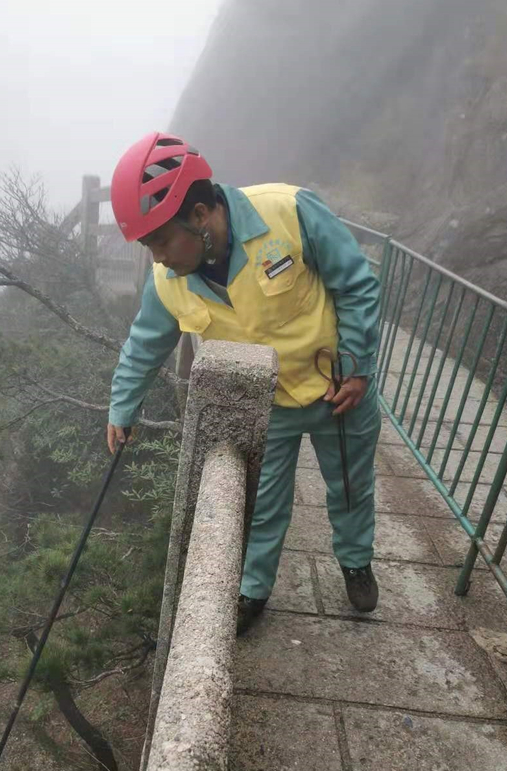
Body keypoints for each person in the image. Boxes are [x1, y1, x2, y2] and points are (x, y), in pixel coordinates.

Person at [106, 132, 381, 633]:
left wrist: (358, 364)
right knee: (261, 501)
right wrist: (121, 409)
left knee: (350, 485)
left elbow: (356, 282)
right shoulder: (167, 283)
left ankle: (355, 560)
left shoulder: (288, 211)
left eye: (161, 241)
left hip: (336, 387)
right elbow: (145, 344)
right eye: (148, 246)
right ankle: (251, 591)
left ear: (200, 214)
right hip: (264, 403)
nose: (157, 258)